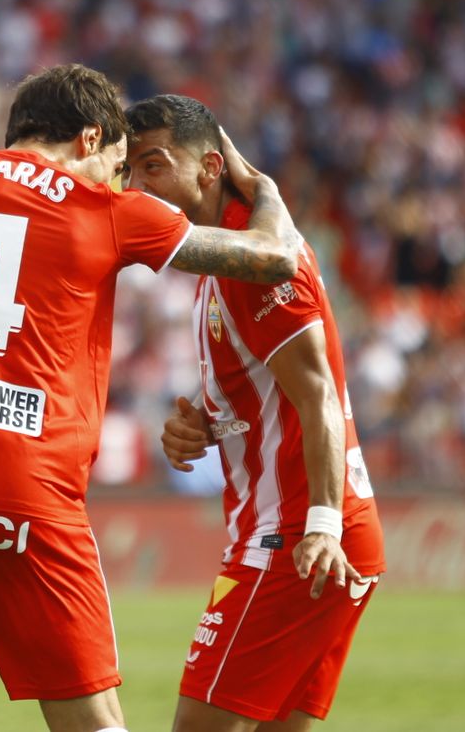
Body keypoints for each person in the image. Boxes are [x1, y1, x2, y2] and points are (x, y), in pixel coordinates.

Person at [0, 63, 307, 732]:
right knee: (93, 723)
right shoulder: (108, 210)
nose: (120, 182)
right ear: (91, 139)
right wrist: (260, 185)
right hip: (30, 500)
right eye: (119, 165)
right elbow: (278, 260)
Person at [123, 94, 384, 732]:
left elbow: (318, 392)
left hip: (295, 538)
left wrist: (321, 526)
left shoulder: (261, 265)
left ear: (210, 167)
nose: (136, 185)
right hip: (298, 530)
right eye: (130, 169)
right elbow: (272, 391)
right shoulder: (226, 256)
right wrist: (206, 425)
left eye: (153, 166)